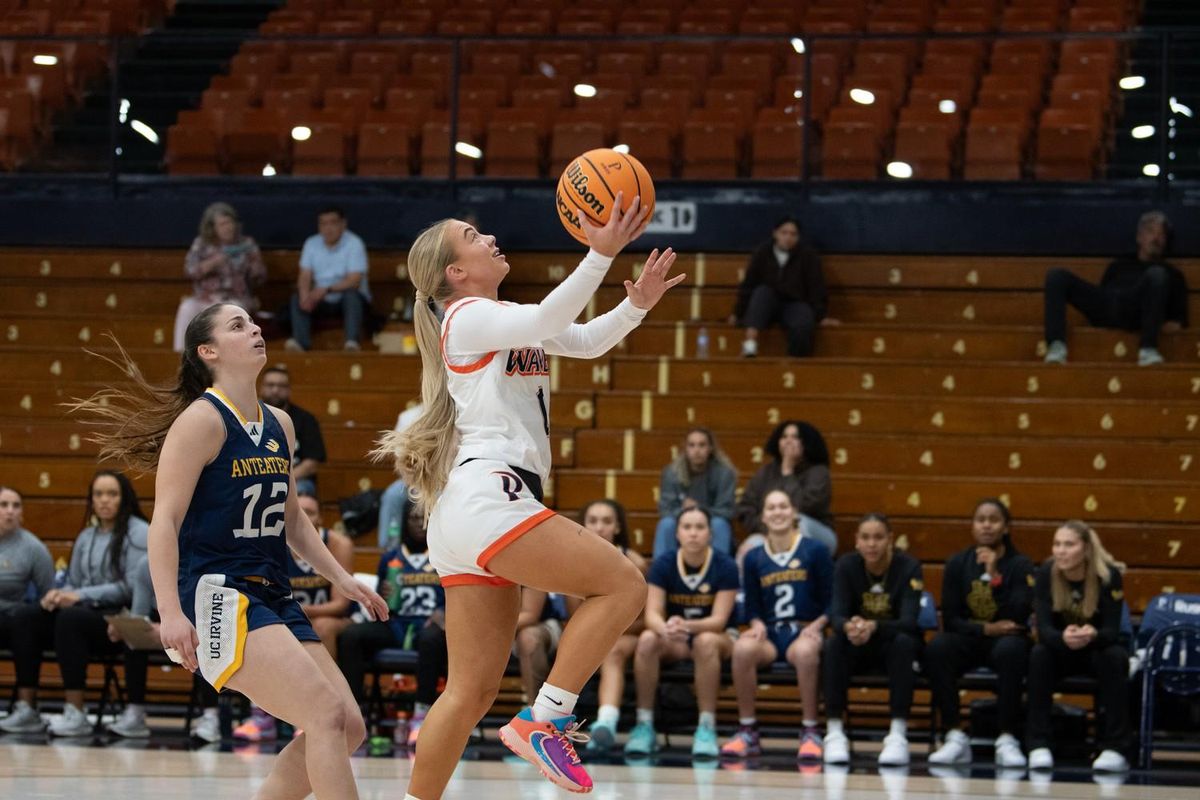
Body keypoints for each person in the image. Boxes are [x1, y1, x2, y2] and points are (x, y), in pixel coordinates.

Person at [373, 196, 680, 799]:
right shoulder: (463, 316)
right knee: (623, 585)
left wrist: (634, 304)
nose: (488, 237)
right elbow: (545, 319)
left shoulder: (503, 318)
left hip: (466, 511)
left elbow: (585, 340)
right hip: (491, 492)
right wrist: (598, 255)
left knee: (469, 693)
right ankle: (548, 716)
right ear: (453, 272)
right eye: (472, 234)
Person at [72, 303, 387, 800]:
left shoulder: (279, 424)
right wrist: (171, 614)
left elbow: (292, 519)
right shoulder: (200, 421)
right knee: (325, 715)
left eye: (255, 322)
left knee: (348, 727)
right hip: (218, 596)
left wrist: (341, 578)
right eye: (238, 325)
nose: (256, 328)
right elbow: (164, 523)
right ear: (209, 351)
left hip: (273, 594)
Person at [4, 470, 149, 737]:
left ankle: (76, 711)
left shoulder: (139, 533)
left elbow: (130, 587)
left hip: (119, 619)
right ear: (91, 500)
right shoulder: (86, 536)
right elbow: (75, 582)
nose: (105, 500)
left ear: (124, 498)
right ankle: (26, 707)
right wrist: (59, 595)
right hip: (86, 614)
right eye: (98, 494)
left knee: (71, 619)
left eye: (112, 494)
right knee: (27, 615)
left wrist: (79, 595)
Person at [721, 489, 833, 760]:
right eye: (771, 508)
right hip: (770, 634)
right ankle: (748, 730)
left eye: (783, 506)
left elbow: (832, 600)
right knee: (742, 649)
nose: (778, 512)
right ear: (763, 516)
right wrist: (756, 622)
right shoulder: (753, 557)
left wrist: (818, 625)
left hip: (804, 628)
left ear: (794, 512)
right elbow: (752, 605)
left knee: (806, 652)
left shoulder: (815, 550)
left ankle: (810, 730)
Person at [234, 491, 355, 742]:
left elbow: (340, 604)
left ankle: (321, 705)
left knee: (322, 626)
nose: (307, 517)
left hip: (329, 618)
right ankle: (262, 714)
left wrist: (301, 610)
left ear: (320, 516)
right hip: (288, 615)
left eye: (311, 512)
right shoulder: (273, 540)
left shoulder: (338, 544)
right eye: (302, 511)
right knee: (264, 628)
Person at [924, 498, 1034, 768]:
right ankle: (954, 735)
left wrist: (994, 575)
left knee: (1012, 649)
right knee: (938, 647)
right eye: (980, 520)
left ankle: (1007, 738)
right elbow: (950, 619)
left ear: (1006, 527)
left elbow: (1018, 615)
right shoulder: (957, 563)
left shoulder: (1020, 565)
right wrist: (987, 628)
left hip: (1006, 642)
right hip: (972, 638)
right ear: (973, 527)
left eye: (993, 519)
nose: (986, 525)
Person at [625, 507, 740, 760]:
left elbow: (719, 621)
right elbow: (653, 614)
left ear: (710, 533)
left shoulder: (726, 565)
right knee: (646, 639)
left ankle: (707, 726)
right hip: (677, 639)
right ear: (677, 533)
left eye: (700, 527)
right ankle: (645, 725)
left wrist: (686, 626)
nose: (693, 533)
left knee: (706, 642)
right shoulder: (664, 563)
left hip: (717, 638)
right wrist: (665, 628)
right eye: (687, 527)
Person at [337, 496, 446, 748]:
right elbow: (382, 604)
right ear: (405, 522)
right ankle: (356, 712)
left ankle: (421, 715)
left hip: (428, 627)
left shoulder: (443, 556)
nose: (419, 524)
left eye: (424, 518)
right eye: (414, 518)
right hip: (395, 625)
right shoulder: (391, 558)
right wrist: (383, 597)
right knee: (352, 635)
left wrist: (444, 612)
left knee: (433, 638)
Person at [1027, 521, 1131, 773]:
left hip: (1095, 649)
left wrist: (1093, 634)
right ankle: (1038, 744)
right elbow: (1043, 629)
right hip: (1060, 649)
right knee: (1039, 655)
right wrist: (1063, 637)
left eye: (1069, 544)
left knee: (1116, 657)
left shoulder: (1108, 576)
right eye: (1057, 544)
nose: (1060, 551)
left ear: (1085, 549)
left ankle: (1114, 747)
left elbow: (1112, 631)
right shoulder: (1046, 573)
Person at [821, 513, 924, 766]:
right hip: (858, 644)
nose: (871, 544)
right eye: (865, 538)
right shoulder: (846, 565)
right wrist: (849, 626)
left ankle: (897, 734)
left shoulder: (909, 567)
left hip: (891, 646)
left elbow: (910, 621)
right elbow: (836, 614)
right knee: (833, 643)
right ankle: (834, 732)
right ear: (856, 541)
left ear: (890, 539)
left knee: (905, 643)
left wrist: (873, 626)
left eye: (878, 537)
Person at [1044, 210, 1188, 367]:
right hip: (1107, 304)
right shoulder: (1118, 265)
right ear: (1139, 237)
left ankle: (1148, 349)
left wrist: (1159, 322)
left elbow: (1178, 321)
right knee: (1056, 276)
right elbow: (1102, 292)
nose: (1156, 238)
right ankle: (1056, 347)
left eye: (1161, 234)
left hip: (1135, 310)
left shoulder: (1172, 274)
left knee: (1157, 274)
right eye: (1150, 231)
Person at [106, 556, 223, 741]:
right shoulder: (147, 564)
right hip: (157, 626)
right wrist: (127, 627)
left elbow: (212, 610)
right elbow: (140, 614)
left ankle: (211, 716)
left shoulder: (204, 560)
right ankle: (135, 712)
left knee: (206, 639)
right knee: (132, 642)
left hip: (199, 622)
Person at [574, 499, 649, 754]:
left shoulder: (635, 563)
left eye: (607, 521)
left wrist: (609, 630)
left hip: (626, 635)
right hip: (589, 636)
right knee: (571, 644)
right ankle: (549, 719)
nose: (599, 527)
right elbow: (575, 618)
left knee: (613, 650)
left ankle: (605, 722)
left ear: (617, 527)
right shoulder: (571, 562)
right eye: (593, 521)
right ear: (583, 525)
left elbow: (645, 619)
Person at [730, 216, 830, 358]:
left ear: (798, 237)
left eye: (793, 234)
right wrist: (737, 312)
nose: (788, 237)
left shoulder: (809, 256)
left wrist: (821, 316)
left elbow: (816, 287)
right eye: (784, 232)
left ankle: (796, 365)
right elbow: (748, 284)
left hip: (795, 303)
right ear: (775, 234)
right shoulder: (762, 252)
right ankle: (750, 345)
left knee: (803, 323)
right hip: (767, 301)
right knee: (761, 293)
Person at [735, 420, 837, 556]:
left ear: (806, 442)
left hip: (816, 532)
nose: (789, 441)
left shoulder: (819, 472)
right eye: (784, 437)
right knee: (748, 550)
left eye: (795, 437)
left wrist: (788, 471)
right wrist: (771, 529)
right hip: (768, 532)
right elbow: (745, 509)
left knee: (798, 523)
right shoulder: (765, 472)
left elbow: (804, 506)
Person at [0, 486, 55, 734]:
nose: (10, 511)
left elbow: (48, 594)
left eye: (16, 506)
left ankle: (27, 706)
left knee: (25, 622)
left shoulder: (33, 548)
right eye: (4, 505)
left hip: (16, 620)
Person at [175, 202, 266, 353]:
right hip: (205, 299)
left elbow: (260, 277)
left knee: (233, 312)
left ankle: (230, 357)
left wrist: (257, 270)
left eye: (230, 222)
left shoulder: (246, 244)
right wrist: (212, 263)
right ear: (213, 228)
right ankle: (181, 355)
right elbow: (190, 271)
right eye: (223, 224)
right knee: (187, 308)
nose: (228, 227)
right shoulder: (202, 244)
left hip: (234, 298)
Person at [287, 206, 372, 352]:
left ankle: (352, 343)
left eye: (333, 223)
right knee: (297, 298)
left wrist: (326, 290)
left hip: (345, 297)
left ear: (343, 224)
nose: (328, 228)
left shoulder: (354, 243)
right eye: (323, 223)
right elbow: (305, 275)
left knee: (351, 296)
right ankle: (300, 344)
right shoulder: (311, 243)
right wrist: (304, 294)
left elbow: (355, 280)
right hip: (321, 300)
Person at [652, 427, 738, 557]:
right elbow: (665, 509)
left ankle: (719, 572)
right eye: (692, 445)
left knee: (719, 524)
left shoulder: (725, 473)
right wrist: (685, 512)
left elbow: (727, 510)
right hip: (680, 522)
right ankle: (661, 572)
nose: (697, 450)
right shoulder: (671, 473)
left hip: (710, 523)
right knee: (666, 524)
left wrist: (698, 509)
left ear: (710, 448)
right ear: (685, 449)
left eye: (702, 445)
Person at [259, 364, 327, 496]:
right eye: (270, 385)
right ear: (261, 388)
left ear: (289, 390)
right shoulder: (247, 415)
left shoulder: (306, 419)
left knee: (301, 489)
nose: (275, 390)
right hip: (255, 476)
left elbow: (312, 463)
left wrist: (283, 479)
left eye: (281, 386)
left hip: (295, 479)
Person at [377, 402, 424, 548]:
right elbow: (400, 456)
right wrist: (411, 478)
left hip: (443, 481)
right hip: (412, 479)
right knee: (392, 495)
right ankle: (390, 551)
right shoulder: (407, 417)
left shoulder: (454, 413)